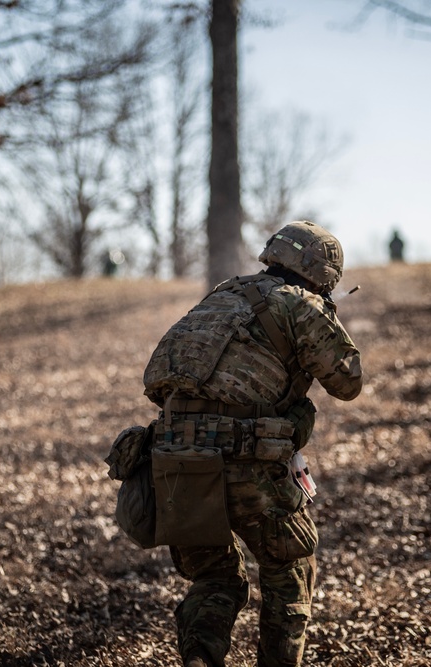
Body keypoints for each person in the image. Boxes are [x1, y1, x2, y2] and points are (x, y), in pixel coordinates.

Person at [142, 220, 363, 667]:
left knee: (216, 577)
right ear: (323, 274)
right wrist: (327, 317)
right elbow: (348, 382)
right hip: (249, 463)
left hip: (175, 463)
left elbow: (161, 384)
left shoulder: (222, 295)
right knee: (290, 569)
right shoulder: (301, 305)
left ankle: (200, 657)